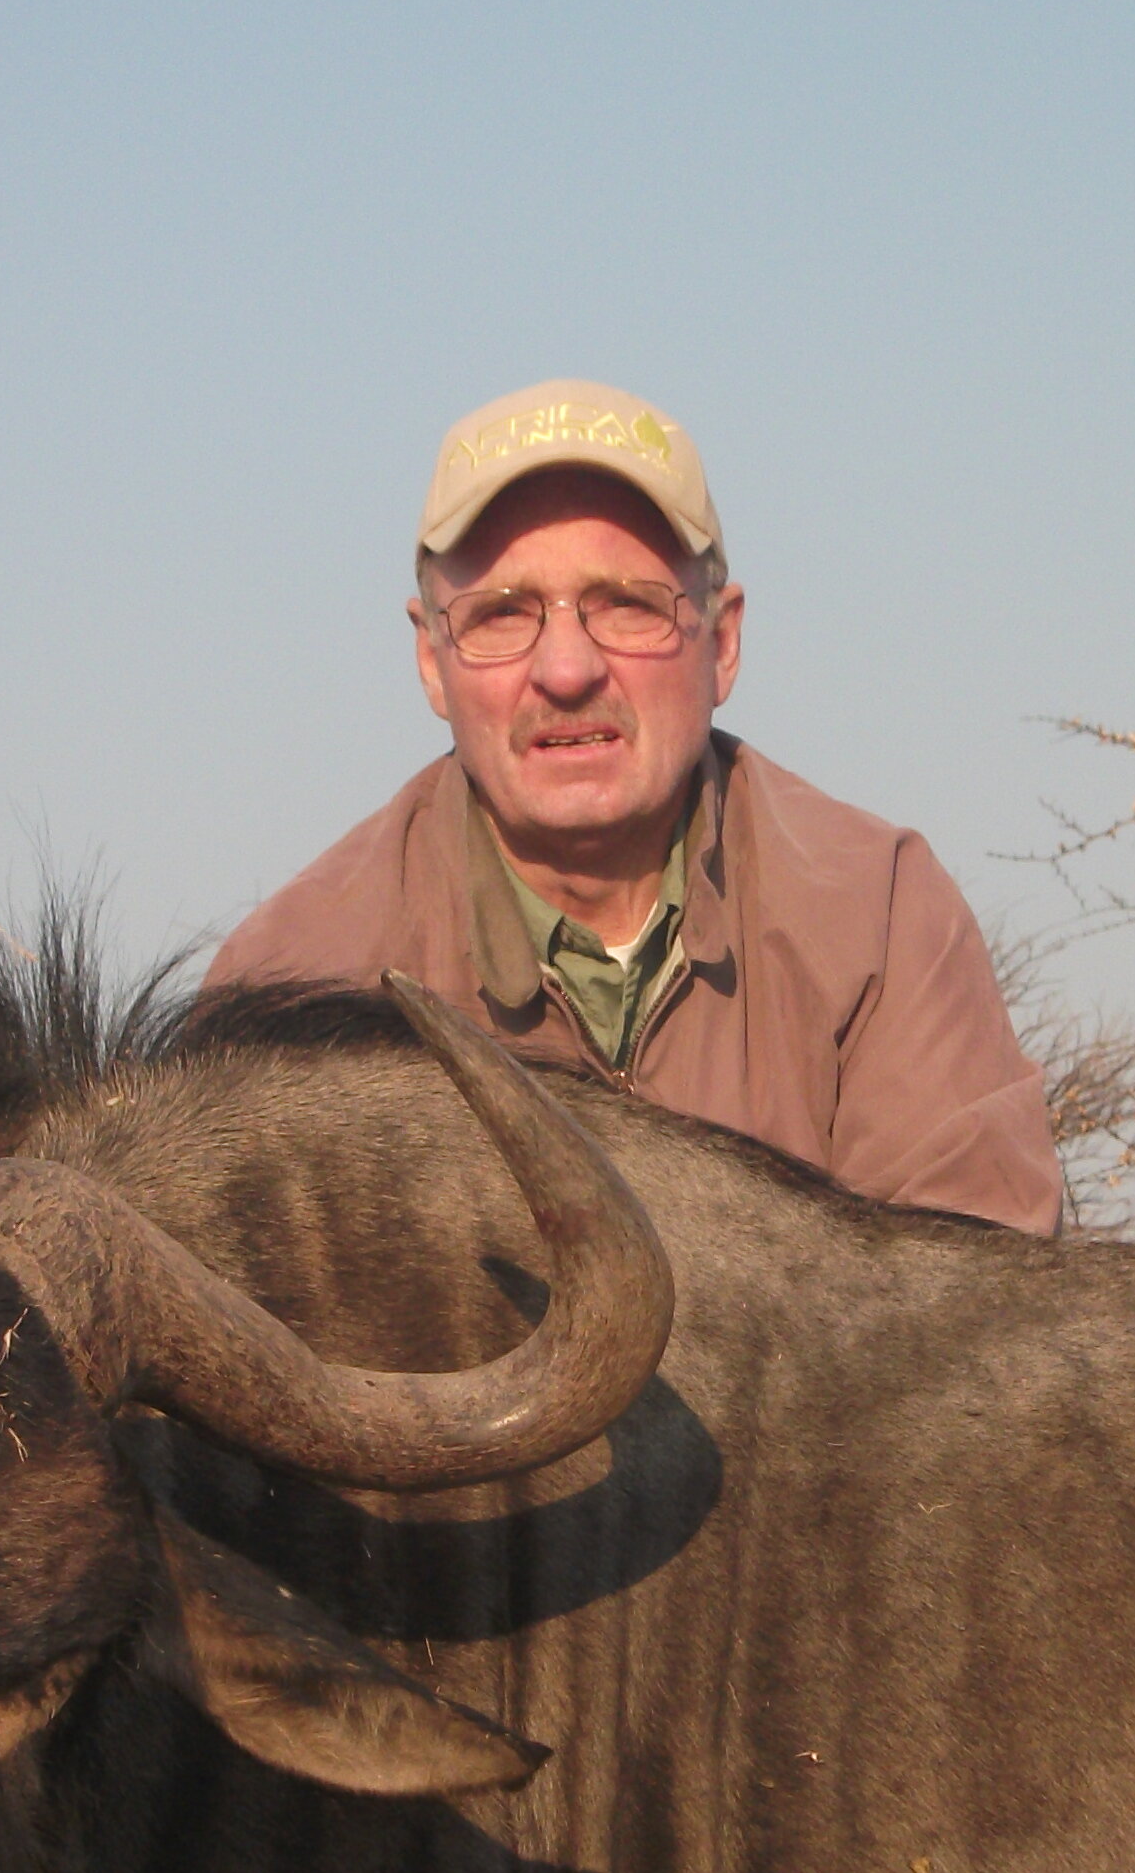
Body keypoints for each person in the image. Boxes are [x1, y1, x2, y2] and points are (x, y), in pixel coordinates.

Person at [209, 380, 1063, 1235]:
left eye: (628, 606)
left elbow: (978, 1320)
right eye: (502, 616)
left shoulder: (879, 913)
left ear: (722, 643)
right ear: (433, 660)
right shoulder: (293, 980)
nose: (569, 670)